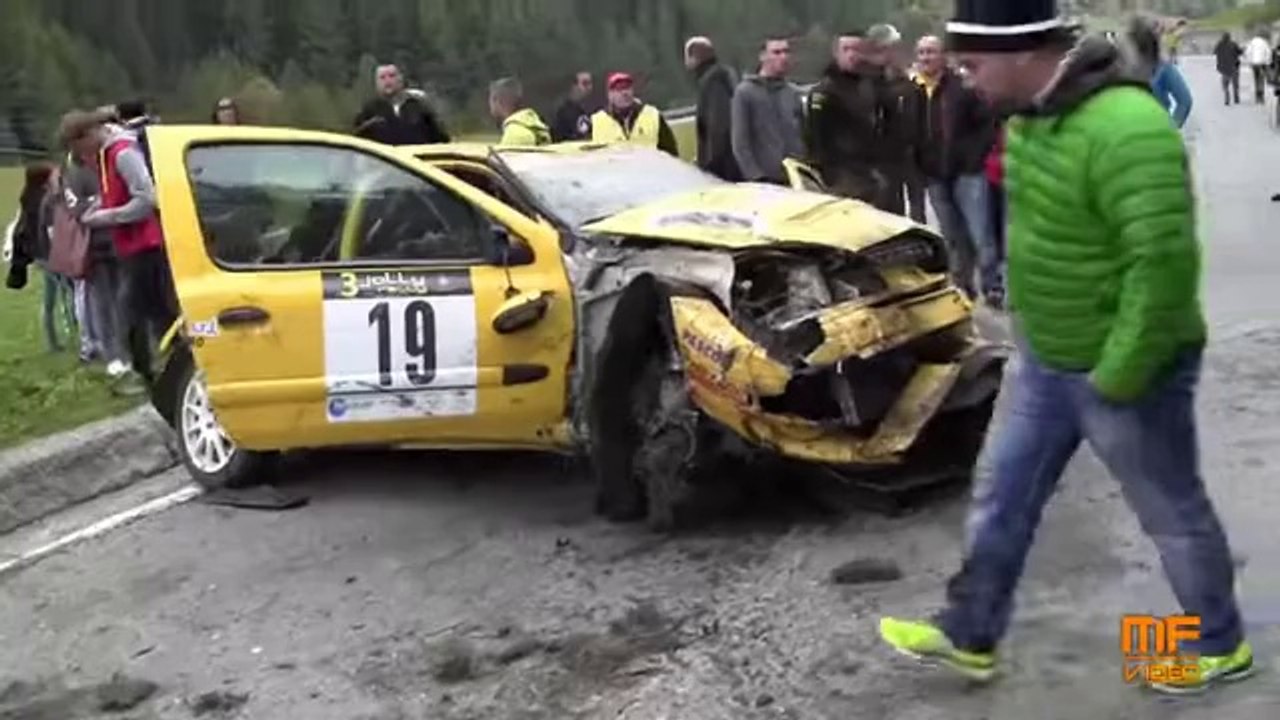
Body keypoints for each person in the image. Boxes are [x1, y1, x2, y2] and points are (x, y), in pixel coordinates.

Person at [878, 0, 1254, 696]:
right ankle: (971, 635)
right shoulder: (1029, 117)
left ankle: (1218, 645)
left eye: (973, 62)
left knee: (1170, 511)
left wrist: (1120, 374)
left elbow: (1162, 266)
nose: (965, 77)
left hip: (1124, 369)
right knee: (1001, 493)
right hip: (1044, 359)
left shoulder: (1128, 129)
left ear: (1024, 53)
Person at [61, 109, 177, 388]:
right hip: (129, 245)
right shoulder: (103, 157)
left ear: (88, 135)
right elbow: (114, 194)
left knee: (131, 312)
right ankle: (173, 368)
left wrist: (105, 217)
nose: (82, 154)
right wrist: (96, 207)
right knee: (158, 312)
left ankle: (146, 373)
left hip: (146, 244)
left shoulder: (123, 153)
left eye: (80, 147)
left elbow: (147, 198)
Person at [912, 34, 999, 302]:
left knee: (980, 233)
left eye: (931, 52)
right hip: (935, 174)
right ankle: (962, 285)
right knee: (952, 235)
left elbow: (987, 124)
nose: (926, 57)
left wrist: (973, 158)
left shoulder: (962, 87)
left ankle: (993, 285)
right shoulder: (912, 89)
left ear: (943, 56)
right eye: (922, 52)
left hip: (967, 172)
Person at [62, 147, 128, 377]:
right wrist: (100, 202)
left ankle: (127, 350)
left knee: (122, 300)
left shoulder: (107, 164)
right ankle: (111, 354)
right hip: (92, 246)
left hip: (119, 241)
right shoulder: (74, 173)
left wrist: (101, 202)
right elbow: (76, 209)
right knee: (101, 303)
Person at [806, 29, 890, 204]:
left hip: (868, 171)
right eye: (846, 49)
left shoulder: (868, 86)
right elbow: (816, 138)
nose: (852, 55)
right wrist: (827, 175)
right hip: (841, 176)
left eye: (856, 49)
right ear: (836, 53)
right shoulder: (825, 92)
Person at [869, 23, 926, 218]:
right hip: (884, 158)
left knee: (918, 208)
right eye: (885, 48)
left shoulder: (909, 84)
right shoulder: (870, 84)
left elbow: (920, 118)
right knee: (892, 209)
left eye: (893, 48)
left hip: (912, 154)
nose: (890, 54)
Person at [733, 35, 806, 185]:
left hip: (796, 177)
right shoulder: (745, 93)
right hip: (766, 180)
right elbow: (740, 141)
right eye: (776, 52)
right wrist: (755, 176)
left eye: (786, 52)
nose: (783, 57)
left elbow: (803, 133)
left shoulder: (792, 93)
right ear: (762, 56)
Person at [685, 36, 741, 181]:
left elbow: (718, 127)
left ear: (693, 58)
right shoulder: (722, 78)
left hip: (724, 168)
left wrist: (711, 165)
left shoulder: (713, 83)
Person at [354, 64, 451, 145]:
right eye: (382, 77)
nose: (387, 81)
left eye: (392, 76)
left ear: (401, 78)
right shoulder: (369, 111)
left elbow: (441, 139)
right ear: (376, 82)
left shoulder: (419, 107)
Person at [590, 72, 680, 156]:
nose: (625, 93)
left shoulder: (652, 115)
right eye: (619, 89)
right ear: (610, 95)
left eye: (627, 87)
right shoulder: (596, 122)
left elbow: (671, 152)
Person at [1127, 17, 1193, 129]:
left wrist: (1171, 128)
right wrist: (1171, 128)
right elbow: (1185, 100)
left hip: (1135, 131)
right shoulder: (1162, 66)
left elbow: (1185, 101)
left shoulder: (1162, 67)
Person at [489, 77, 550, 146]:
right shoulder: (532, 126)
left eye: (491, 99)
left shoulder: (515, 133)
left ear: (498, 100)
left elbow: (508, 156)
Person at [551, 72, 594, 143]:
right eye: (585, 84)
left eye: (590, 84)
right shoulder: (564, 113)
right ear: (575, 86)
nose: (589, 88)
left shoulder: (592, 111)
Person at [1215, 32, 1243, 105]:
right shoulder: (1233, 44)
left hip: (1224, 68)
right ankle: (1236, 98)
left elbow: (1215, 52)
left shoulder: (1219, 45)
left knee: (1225, 84)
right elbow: (1240, 52)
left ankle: (1227, 98)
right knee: (1235, 84)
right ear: (1229, 37)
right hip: (1234, 66)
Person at [1245, 30, 1272, 104]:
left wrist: (1249, 61)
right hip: (1262, 63)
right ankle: (1261, 97)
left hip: (1254, 63)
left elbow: (1248, 52)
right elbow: (1268, 52)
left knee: (1256, 79)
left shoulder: (1252, 42)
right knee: (1261, 79)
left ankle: (1257, 97)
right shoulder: (1264, 42)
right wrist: (1268, 62)